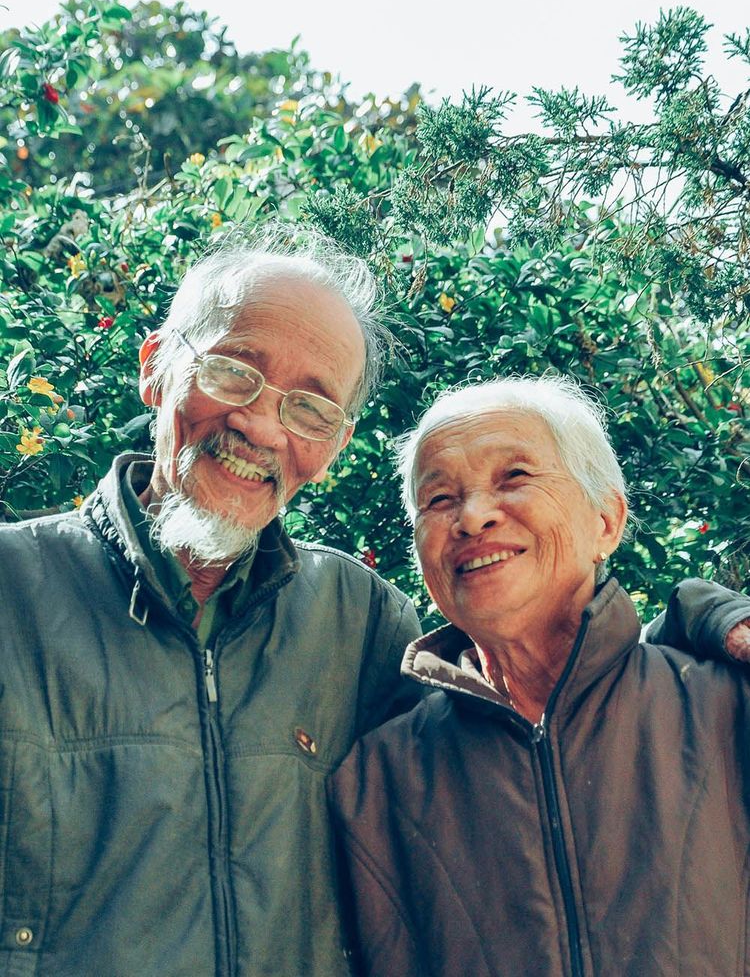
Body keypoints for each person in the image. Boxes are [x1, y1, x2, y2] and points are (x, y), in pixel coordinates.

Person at [0, 227, 422, 977]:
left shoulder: (364, 628)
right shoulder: (12, 591)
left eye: (311, 408)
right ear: (155, 370)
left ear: (335, 446)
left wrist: (696, 618)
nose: (259, 425)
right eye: (233, 372)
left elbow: (529, 738)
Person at [328, 374, 750, 977]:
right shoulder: (375, 780)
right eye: (440, 499)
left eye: (515, 478)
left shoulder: (726, 706)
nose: (472, 519)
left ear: (605, 521)